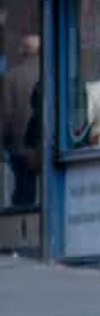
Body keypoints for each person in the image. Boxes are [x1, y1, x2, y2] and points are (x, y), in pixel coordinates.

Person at [2, 33, 40, 205]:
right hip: (43, 145)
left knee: (22, 194)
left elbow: (6, 114)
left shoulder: (12, 77)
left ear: (22, 52)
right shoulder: (51, 73)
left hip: (19, 146)